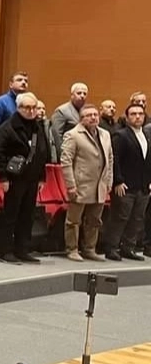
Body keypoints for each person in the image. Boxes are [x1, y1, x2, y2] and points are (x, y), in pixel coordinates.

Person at [0, 92, 48, 264]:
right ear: (18, 108)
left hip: (32, 178)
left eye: (34, 108)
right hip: (14, 178)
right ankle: (5, 250)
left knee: (27, 215)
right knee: (11, 215)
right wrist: (3, 178)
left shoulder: (37, 127)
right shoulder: (7, 127)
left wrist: (42, 177)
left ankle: (22, 249)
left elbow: (42, 153)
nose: (31, 111)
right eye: (27, 108)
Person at [59, 105, 112, 262]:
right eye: (89, 115)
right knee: (74, 220)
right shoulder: (73, 135)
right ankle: (72, 249)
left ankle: (90, 249)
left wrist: (109, 180)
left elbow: (110, 159)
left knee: (95, 220)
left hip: (100, 184)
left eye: (95, 114)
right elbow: (66, 161)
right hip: (80, 184)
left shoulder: (105, 134)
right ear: (81, 119)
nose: (93, 117)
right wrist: (70, 185)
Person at [101, 104, 151, 261]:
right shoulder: (120, 135)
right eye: (133, 114)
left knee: (137, 218)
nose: (138, 117)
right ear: (127, 117)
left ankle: (128, 248)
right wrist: (118, 181)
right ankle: (111, 247)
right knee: (119, 217)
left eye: (140, 114)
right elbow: (114, 159)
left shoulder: (146, 136)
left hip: (143, 186)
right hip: (124, 185)